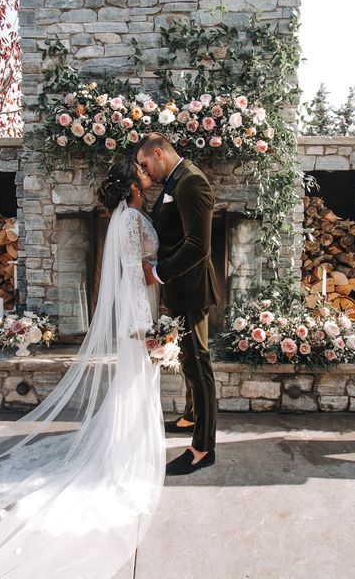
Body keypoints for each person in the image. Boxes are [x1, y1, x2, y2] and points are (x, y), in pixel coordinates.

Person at [0, 160, 165, 579]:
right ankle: (129, 455)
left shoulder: (121, 218)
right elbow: (142, 269)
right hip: (139, 307)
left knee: (132, 380)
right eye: (141, 173)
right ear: (133, 188)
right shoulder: (133, 220)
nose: (146, 176)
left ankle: (128, 442)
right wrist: (159, 283)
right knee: (136, 379)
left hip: (133, 305)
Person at [135, 132, 219, 475]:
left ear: (159, 152)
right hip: (179, 289)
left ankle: (203, 448)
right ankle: (189, 418)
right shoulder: (173, 182)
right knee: (188, 361)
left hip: (193, 289)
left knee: (199, 365)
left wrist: (158, 274)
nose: (145, 171)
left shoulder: (191, 183)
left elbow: (198, 245)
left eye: (145, 164)